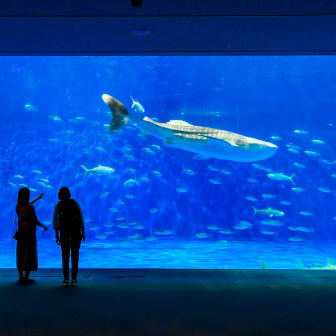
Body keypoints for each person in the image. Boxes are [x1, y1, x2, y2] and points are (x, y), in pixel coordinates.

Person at [53, 187, 85, 286]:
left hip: (64, 232)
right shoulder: (76, 203)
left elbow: (55, 221)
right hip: (76, 231)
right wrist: (83, 231)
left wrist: (57, 235)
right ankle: (74, 279)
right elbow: (81, 217)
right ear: (69, 194)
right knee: (75, 255)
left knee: (65, 255)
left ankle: (66, 279)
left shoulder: (58, 206)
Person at [15, 188, 48, 284]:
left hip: (20, 233)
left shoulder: (17, 206)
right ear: (27, 196)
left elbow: (26, 206)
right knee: (29, 255)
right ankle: (26, 278)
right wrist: (44, 226)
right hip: (29, 233)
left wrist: (37, 199)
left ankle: (21, 277)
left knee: (21, 255)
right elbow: (35, 221)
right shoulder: (30, 208)